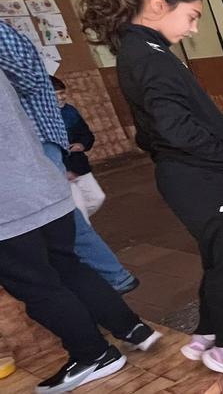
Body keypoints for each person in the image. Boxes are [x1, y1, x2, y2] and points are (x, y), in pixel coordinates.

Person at [77, 0, 223, 382]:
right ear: (157, 5)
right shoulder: (147, 55)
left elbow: (157, 127)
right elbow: (173, 126)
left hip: (187, 174)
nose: (193, 29)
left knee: (219, 255)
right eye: (191, 17)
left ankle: (208, 331)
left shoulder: (142, 50)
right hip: (195, 175)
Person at [0, 70, 161, 394]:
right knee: (68, 266)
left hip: (9, 207)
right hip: (44, 186)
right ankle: (131, 327)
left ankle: (94, 355)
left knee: (38, 287)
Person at [0, 21, 137, 294]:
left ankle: (112, 277)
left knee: (62, 220)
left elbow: (26, 79)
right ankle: (106, 277)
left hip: (33, 143)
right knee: (60, 219)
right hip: (29, 146)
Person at [50, 77, 105, 223]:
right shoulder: (42, 117)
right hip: (61, 170)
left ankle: (77, 229)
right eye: (57, 94)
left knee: (97, 198)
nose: (62, 97)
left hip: (78, 165)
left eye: (62, 93)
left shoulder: (70, 111)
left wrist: (81, 144)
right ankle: (83, 232)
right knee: (80, 208)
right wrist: (63, 170)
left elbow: (86, 134)